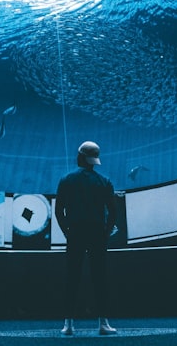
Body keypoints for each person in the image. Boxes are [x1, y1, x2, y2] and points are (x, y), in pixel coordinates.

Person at [55, 141, 118, 336]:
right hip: (98, 235)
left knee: (72, 277)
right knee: (100, 278)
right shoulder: (104, 181)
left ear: (80, 157)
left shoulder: (66, 179)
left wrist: (67, 232)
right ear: (94, 161)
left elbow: (59, 211)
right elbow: (113, 213)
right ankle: (103, 323)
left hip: (75, 234)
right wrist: (106, 233)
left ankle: (68, 324)